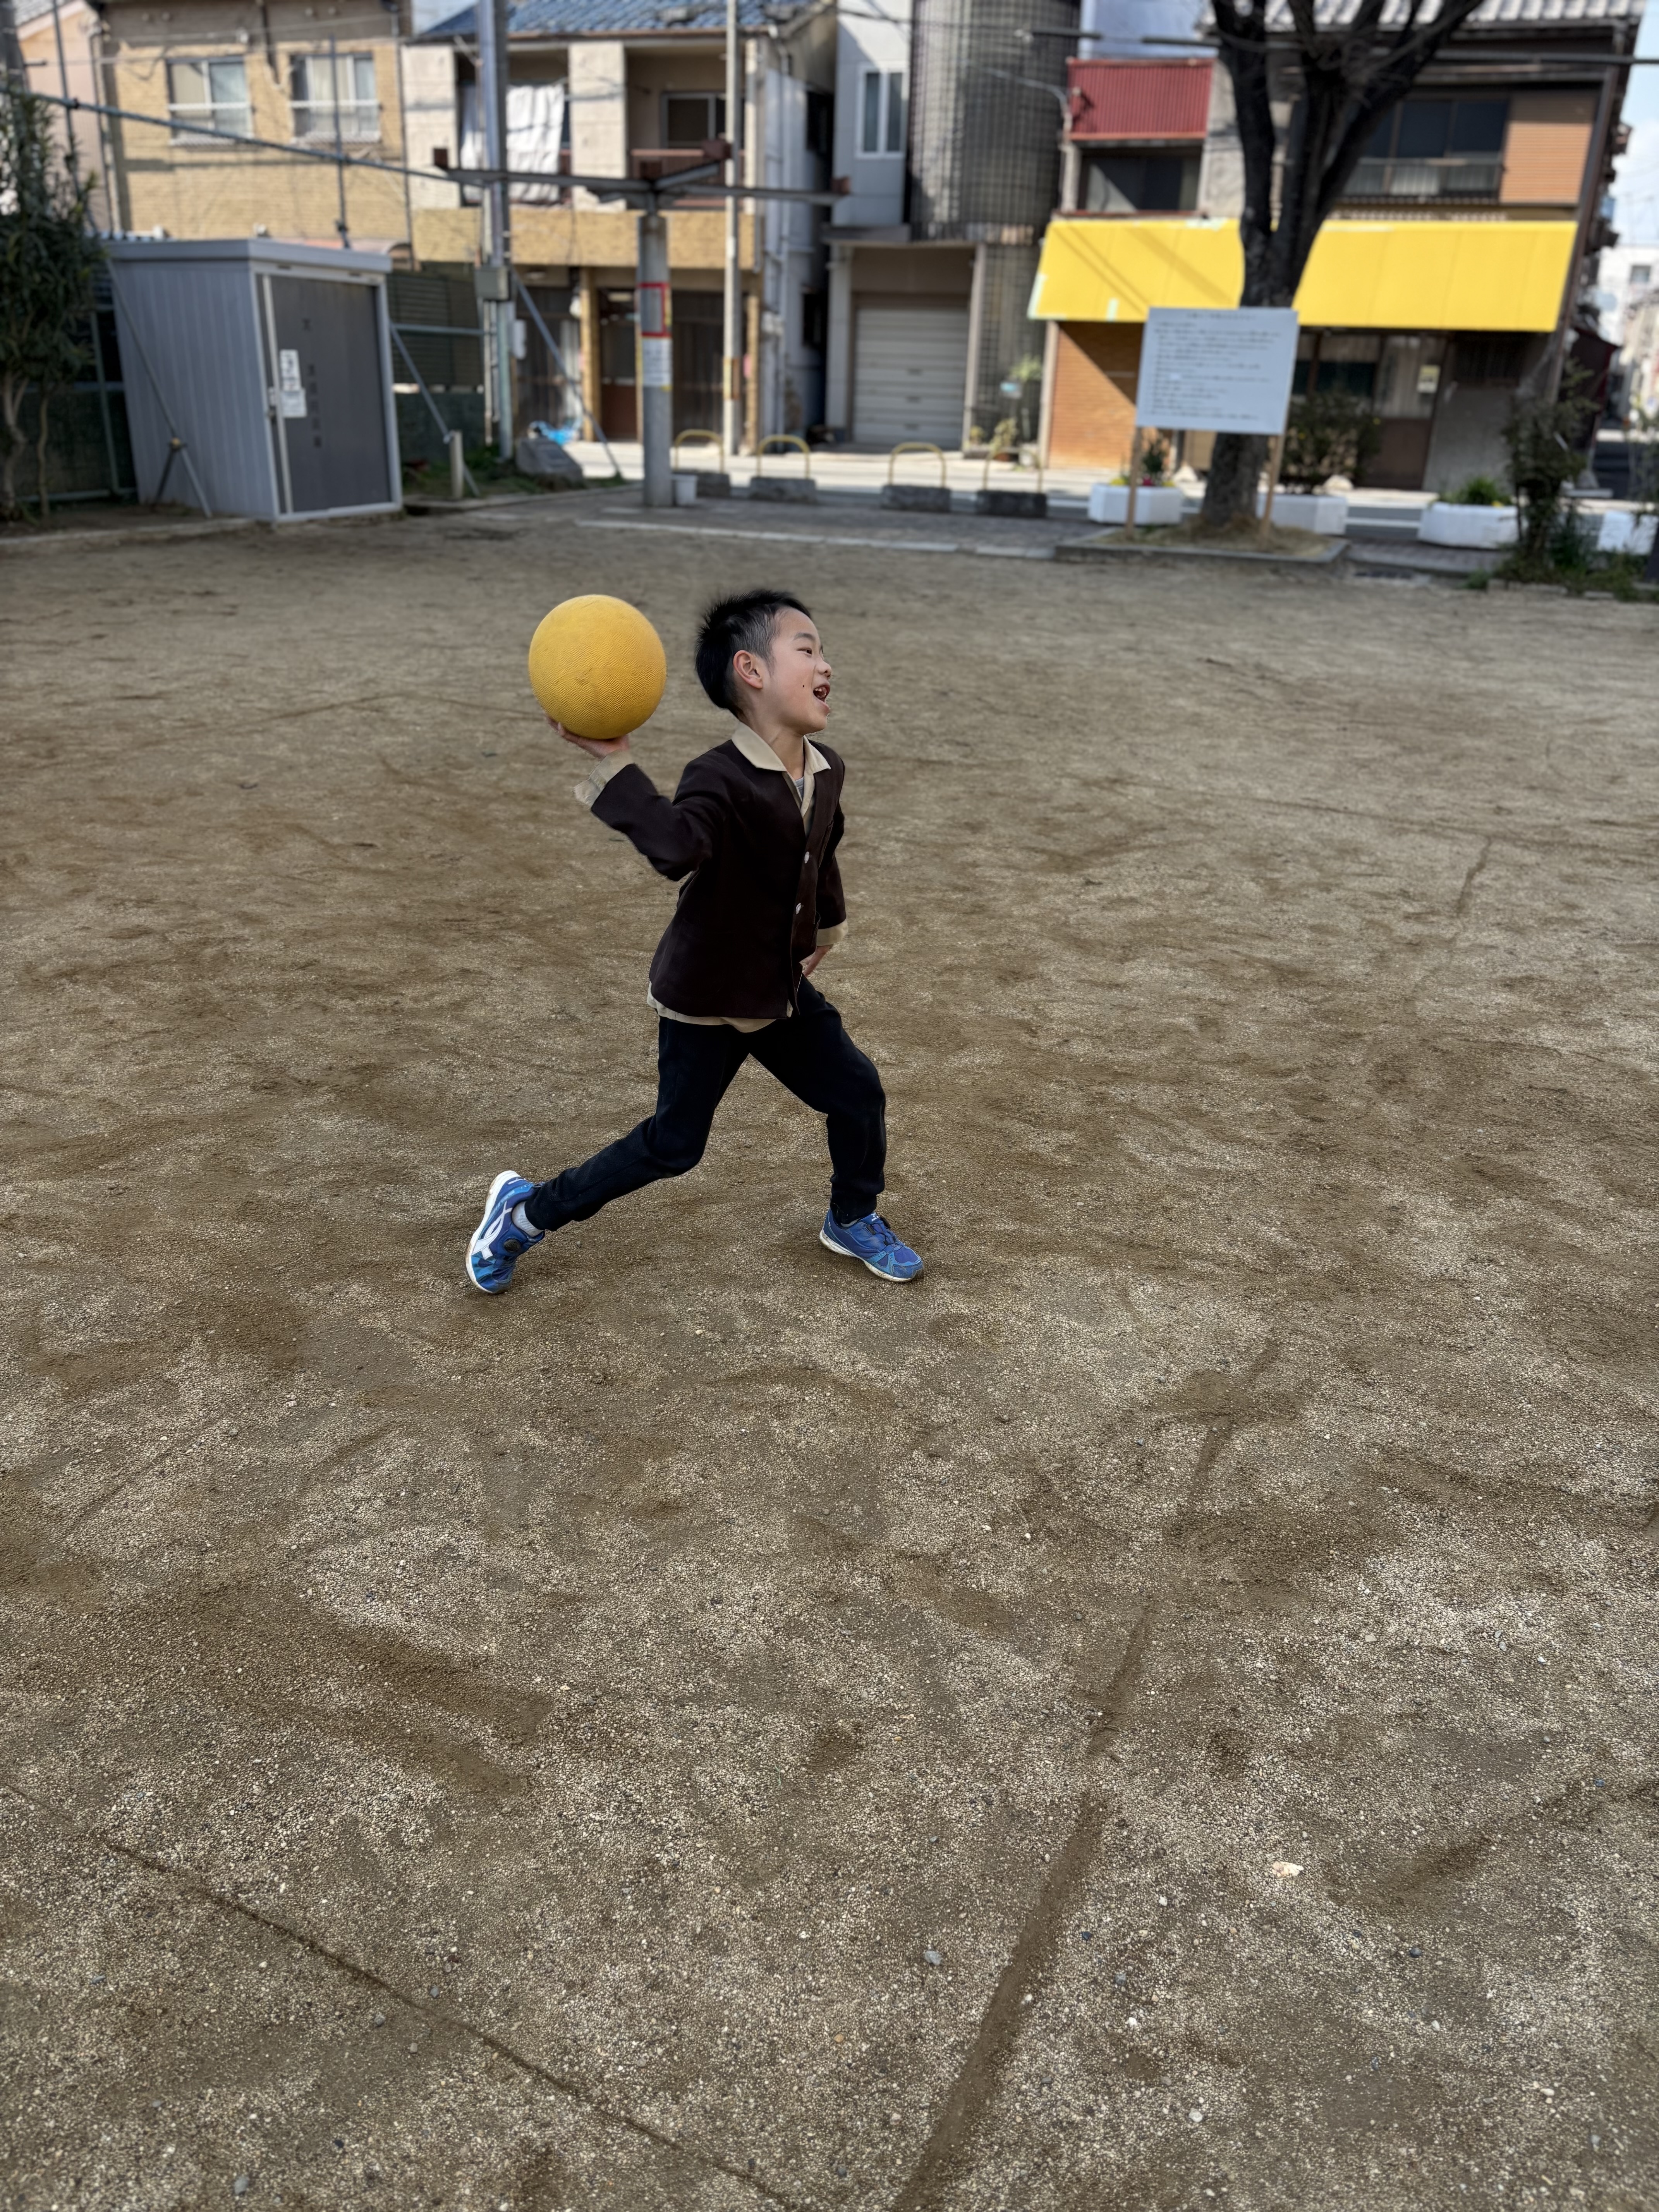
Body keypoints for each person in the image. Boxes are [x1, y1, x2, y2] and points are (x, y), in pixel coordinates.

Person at [465, 588, 922, 1294]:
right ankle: (525, 1214)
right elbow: (678, 848)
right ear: (751, 670)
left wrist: (824, 929)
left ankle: (852, 1216)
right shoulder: (718, 775)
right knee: (674, 1146)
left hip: (776, 988)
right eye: (807, 649)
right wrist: (615, 761)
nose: (825, 664)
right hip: (706, 997)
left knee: (858, 1093)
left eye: (823, 652)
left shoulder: (826, 768)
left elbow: (821, 853)